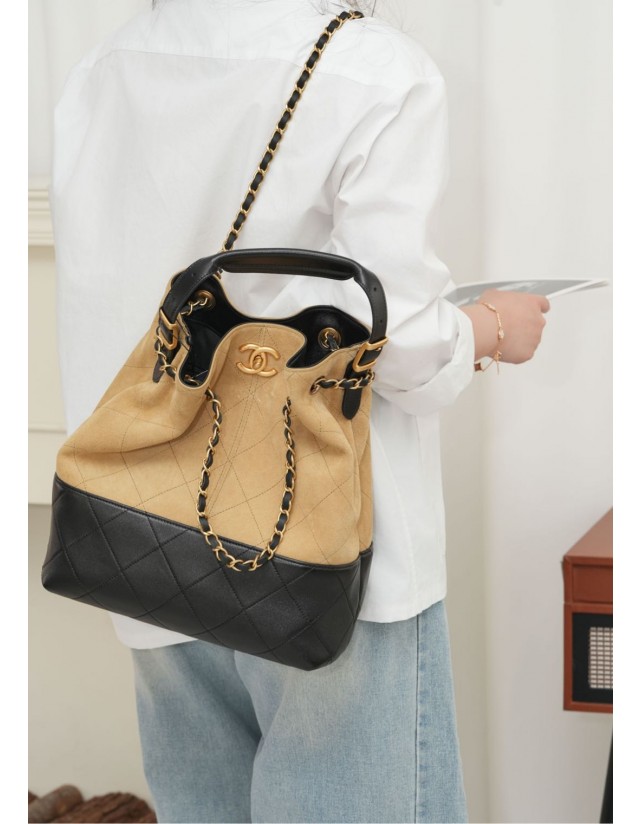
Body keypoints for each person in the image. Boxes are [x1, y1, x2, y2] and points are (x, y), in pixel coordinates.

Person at [51, 1, 549, 821]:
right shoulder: (373, 70)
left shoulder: (104, 68)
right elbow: (405, 344)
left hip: (145, 534)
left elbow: (107, 300)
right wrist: (490, 328)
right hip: (322, 552)